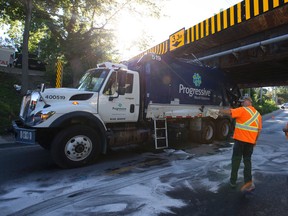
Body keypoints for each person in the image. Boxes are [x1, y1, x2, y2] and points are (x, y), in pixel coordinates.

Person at [219, 96, 262, 192]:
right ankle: (248, 183)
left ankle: (233, 182)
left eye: (243, 102)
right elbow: (258, 130)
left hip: (240, 141)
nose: (242, 104)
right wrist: (255, 141)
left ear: (248, 101)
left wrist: (218, 110)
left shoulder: (243, 110)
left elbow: (230, 112)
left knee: (236, 161)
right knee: (247, 162)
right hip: (250, 142)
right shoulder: (258, 115)